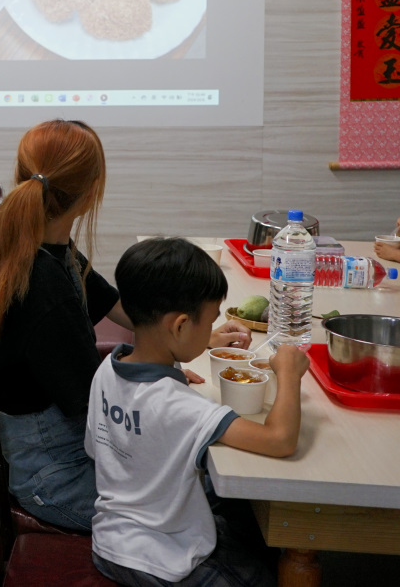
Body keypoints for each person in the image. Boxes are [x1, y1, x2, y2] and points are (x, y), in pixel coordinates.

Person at [0, 120, 250, 532]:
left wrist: (193, 338)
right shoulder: (46, 290)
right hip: (58, 477)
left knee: (208, 480)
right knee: (215, 492)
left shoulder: (43, 244)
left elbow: (110, 301)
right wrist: (162, 380)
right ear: (90, 194)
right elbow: (97, 409)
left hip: (62, 452)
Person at [87, 237, 307, 587]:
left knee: (233, 518)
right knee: (261, 577)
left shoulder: (107, 370)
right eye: (208, 323)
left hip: (109, 543)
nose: (211, 332)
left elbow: (99, 448)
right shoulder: (181, 406)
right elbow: (280, 440)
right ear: (179, 325)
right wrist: (290, 374)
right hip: (163, 560)